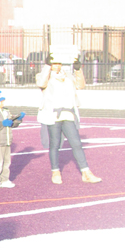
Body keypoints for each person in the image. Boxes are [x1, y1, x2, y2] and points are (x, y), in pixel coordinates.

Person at [35, 55, 102, 184]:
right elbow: (41, 83)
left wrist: (78, 70)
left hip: (68, 114)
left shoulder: (68, 76)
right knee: (55, 144)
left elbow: (80, 85)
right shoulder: (44, 75)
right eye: (54, 64)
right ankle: (55, 172)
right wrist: (47, 66)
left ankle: (86, 172)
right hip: (53, 115)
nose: (57, 66)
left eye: (59, 63)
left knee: (76, 143)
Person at [0, 89, 25, 189]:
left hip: (7, 140)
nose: (3, 102)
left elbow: (11, 124)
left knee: (7, 162)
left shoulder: (6, 111)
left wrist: (18, 120)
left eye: (3, 100)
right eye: (0, 100)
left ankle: (4, 179)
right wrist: (2, 124)